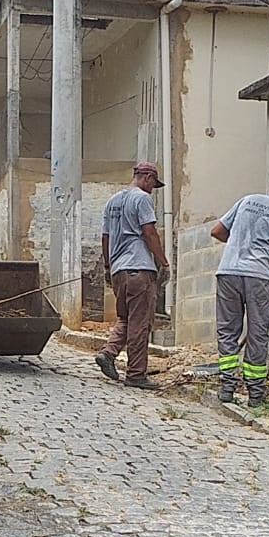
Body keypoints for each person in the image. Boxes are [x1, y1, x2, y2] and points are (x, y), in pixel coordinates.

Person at [210, 183, 269, 407]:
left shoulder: (246, 200)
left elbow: (216, 231)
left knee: (227, 331)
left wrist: (237, 242)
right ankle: (255, 395)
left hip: (228, 272)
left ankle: (227, 388)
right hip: (258, 276)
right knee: (258, 334)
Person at [95, 162, 171, 390]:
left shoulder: (112, 201)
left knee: (125, 318)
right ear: (147, 177)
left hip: (119, 269)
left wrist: (109, 267)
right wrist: (163, 262)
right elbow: (149, 232)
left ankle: (108, 354)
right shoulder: (142, 199)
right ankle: (136, 374)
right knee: (140, 322)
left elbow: (105, 237)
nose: (152, 190)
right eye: (153, 185)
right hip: (139, 267)